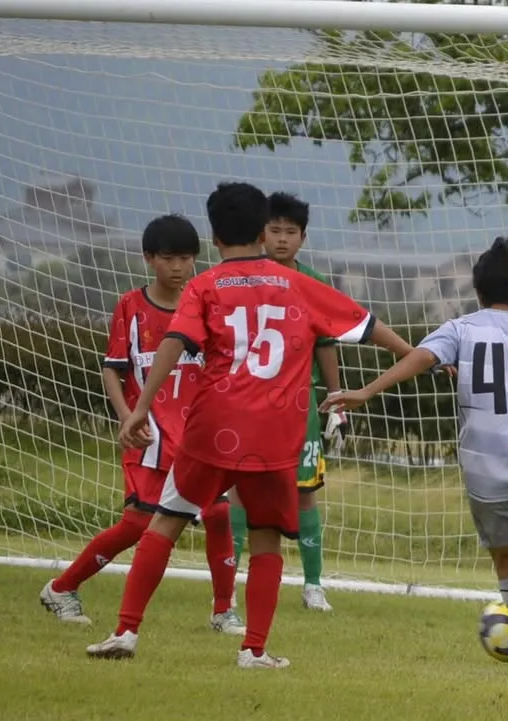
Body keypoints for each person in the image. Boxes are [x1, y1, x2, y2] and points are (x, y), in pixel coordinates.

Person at [85, 182, 416, 668]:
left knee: (166, 521)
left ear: (214, 238)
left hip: (212, 426)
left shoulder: (204, 285)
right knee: (265, 537)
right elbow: (366, 326)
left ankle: (126, 631)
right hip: (274, 433)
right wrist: (417, 354)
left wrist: (141, 408)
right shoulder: (297, 283)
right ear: (263, 233)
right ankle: (254, 649)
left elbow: (175, 341)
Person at [323, 237, 508, 683]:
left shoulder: (461, 329)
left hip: (486, 468)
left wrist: (366, 391)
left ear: (477, 290)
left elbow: (421, 358)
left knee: (507, 559)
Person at [40, 214, 243, 636]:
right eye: (168, 258)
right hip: (149, 437)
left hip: (199, 435)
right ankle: (61, 588)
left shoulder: (206, 304)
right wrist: (126, 417)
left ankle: (224, 611)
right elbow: (112, 368)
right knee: (136, 525)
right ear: (149, 258)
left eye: (186, 258)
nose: (178, 267)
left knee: (219, 514)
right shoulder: (131, 306)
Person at [228, 191, 343, 612]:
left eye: (290, 232)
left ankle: (313, 585)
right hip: (247, 402)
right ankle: (228, 585)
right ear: (261, 234)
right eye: (274, 230)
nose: (281, 239)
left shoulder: (313, 283)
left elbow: (326, 344)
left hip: (298, 407)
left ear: (303, 238)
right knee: (239, 491)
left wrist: (336, 399)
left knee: (304, 492)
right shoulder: (244, 278)